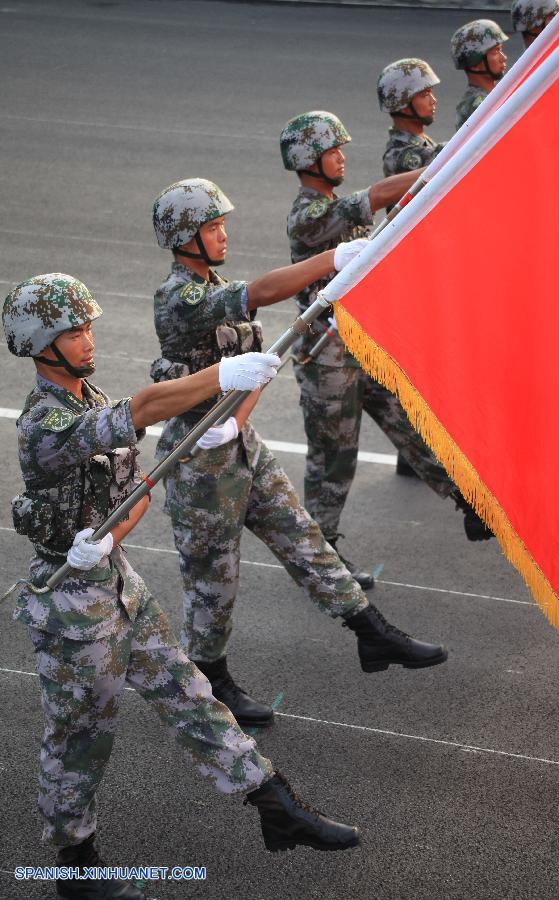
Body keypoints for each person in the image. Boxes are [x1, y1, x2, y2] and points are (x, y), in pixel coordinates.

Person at [2, 274, 364, 899]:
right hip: (70, 605)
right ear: (40, 344)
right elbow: (143, 410)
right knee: (80, 736)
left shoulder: (88, 398)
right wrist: (221, 378)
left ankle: (274, 803)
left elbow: (136, 491)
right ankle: (73, 867)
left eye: (87, 327)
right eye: (72, 331)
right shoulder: (44, 424)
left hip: (115, 582)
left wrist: (110, 540)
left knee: (187, 690)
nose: (88, 339)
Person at [151, 177, 448, 729]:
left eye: (221, 225)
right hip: (197, 460)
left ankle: (372, 634)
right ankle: (210, 682)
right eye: (212, 227)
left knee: (306, 541)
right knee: (214, 582)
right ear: (185, 238)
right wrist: (331, 257)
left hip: (237, 445)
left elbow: (256, 366)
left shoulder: (214, 283)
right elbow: (260, 293)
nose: (223, 234)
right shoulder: (178, 298)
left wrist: (237, 424)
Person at [281, 110, 493, 559]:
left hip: (360, 344)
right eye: (331, 151)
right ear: (308, 160)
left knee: (415, 423)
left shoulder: (333, 209)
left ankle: (469, 503)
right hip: (326, 360)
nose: (341, 158)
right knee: (334, 460)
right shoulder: (308, 215)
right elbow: (376, 195)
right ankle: (325, 557)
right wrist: (447, 162)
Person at [377, 58, 448, 477]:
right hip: (419, 273)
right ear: (403, 103)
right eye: (424, 93)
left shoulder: (419, 147)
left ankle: (413, 457)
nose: (432, 99)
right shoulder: (407, 156)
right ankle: (417, 457)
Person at [451, 20, 509, 130]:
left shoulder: (491, 97)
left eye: (500, 50)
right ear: (474, 64)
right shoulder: (479, 106)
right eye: (495, 52)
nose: (503, 58)